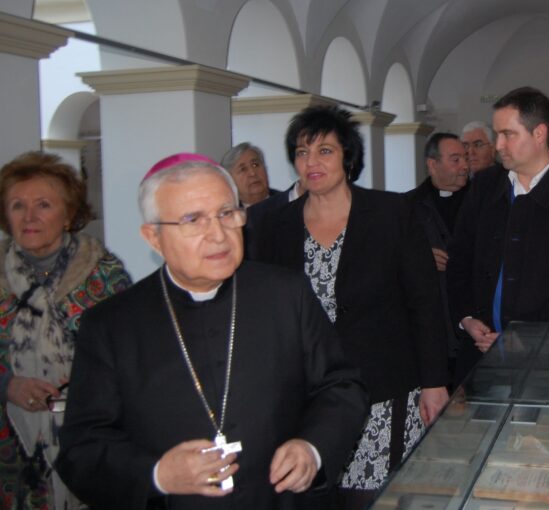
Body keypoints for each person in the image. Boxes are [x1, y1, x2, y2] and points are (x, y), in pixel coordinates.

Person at [55, 153, 368, 509]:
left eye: (226, 213)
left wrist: (312, 448)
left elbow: (341, 387)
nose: (218, 234)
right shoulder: (111, 325)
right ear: (153, 237)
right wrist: (157, 474)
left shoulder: (285, 295)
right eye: (193, 219)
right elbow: (80, 451)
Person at [248, 106, 449, 508]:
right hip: (307, 398)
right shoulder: (274, 225)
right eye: (302, 153)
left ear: (347, 157)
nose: (312, 162)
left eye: (325, 150)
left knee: (378, 499)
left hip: (384, 389)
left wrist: (434, 381)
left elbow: (424, 303)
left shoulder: (392, 214)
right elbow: (265, 313)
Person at [448, 88, 549, 382]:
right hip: (480, 358)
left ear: (539, 133)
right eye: (497, 134)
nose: (498, 145)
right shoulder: (484, 187)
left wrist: (519, 335)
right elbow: (459, 258)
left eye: (508, 134)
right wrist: (466, 317)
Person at [0, 151, 132, 508]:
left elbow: (133, 356)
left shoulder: (105, 274)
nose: (29, 217)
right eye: (17, 205)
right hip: (8, 452)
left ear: (70, 214)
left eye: (43, 204)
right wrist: (7, 385)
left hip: (89, 436)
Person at [405, 132, 469, 384]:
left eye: (465, 158)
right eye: (456, 159)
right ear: (433, 164)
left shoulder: (483, 202)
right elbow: (391, 261)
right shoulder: (407, 207)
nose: (465, 165)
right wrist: (421, 258)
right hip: (433, 326)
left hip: (474, 326)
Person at [220, 142, 278, 207]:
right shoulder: (229, 212)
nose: (252, 173)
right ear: (230, 180)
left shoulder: (287, 203)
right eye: (243, 169)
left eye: (255, 165)